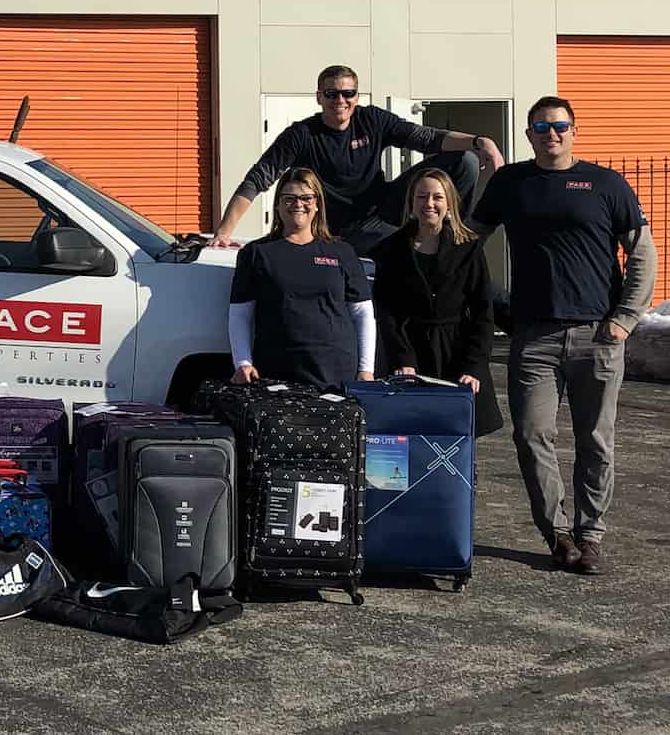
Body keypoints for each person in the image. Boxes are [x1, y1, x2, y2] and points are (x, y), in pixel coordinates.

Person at [471, 96, 657, 576]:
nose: (551, 133)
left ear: (574, 130)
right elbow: (466, 239)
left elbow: (643, 255)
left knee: (596, 440)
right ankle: (558, 534)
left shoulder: (605, 184)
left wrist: (624, 320)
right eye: (541, 126)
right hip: (533, 337)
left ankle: (590, 535)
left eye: (559, 126)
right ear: (529, 134)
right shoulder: (511, 183)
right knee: (533, 436)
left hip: (597, 335)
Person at [211, 64, 505, 255]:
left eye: (347, 93)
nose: (340, 100)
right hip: (346, 228)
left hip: (386, 206)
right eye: (332, 94)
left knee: (464, 159)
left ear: (356, 95)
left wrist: (481, 142)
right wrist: (223, 233)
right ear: (319, 97)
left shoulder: (371, 119)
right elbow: (257, 180)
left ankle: (458, 235)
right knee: (403, 249)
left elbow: (426, 138)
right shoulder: (302, 134)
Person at [368, 169, 500, 435]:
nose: (429, 203)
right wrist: (402, 359)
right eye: (422, 197)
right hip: (410, 352)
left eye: (437, 197)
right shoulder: (390, 250)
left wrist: (473, 366)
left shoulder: (469, 247)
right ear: (411, 203)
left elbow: (482, 312)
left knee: (458, 444)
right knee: (410, 438)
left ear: (449, 203)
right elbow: (387, 312)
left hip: (457, 354)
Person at [228, 167, 376, 389]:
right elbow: (240, 314)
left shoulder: (342, 252)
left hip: (337, 372)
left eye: (306, 198)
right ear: (277, 205)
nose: (298, 204)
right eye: (289, 199)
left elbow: (362, 313)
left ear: (317, 204)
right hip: (277, 370)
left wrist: (366, 370)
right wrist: (243, 362)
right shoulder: (256, 253)